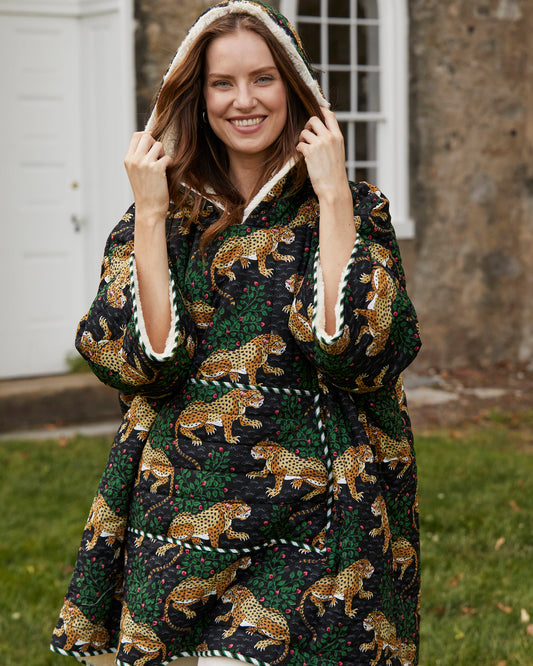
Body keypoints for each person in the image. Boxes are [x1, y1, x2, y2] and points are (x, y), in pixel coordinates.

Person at [50, 2, 421, 665]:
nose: (243, 100)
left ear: (296, 90)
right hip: (180, 513)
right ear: (197, 98)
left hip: (318, 520)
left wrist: (333, 196)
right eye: (222, 83)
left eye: (263, 79)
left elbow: (363, 356)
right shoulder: (160, 217)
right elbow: (140, 367)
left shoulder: (356, 209)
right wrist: (152, 213)